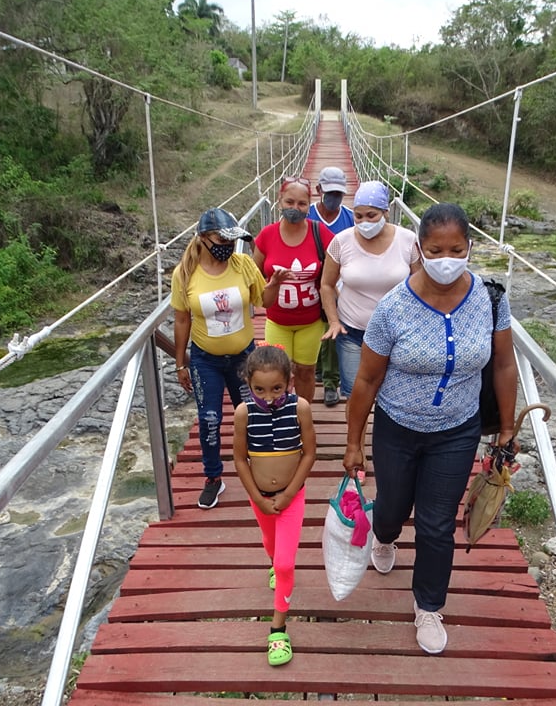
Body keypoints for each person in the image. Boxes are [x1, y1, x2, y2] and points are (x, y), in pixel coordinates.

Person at [341, 202, 519, 655]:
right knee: (393, 508)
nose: (446, 258)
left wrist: (506, 431)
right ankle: (383, 535)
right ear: (419, 249)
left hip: (458, 430)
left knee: (437, 526)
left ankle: (428, 606)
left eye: (456, 249)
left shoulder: (490, 299)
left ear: (470, 248)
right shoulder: (393, 307)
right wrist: (353, 443)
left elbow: (502, 364)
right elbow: (365, 379)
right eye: (436, 249)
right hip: (397, 426)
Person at [172, 207, 284, 509]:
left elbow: (265, 301)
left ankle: (262, 472)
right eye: (222, 239)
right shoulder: (184, 274)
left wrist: (274, 285)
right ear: (204, 239)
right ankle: (213, 478)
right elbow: (181, 320)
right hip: (205, 359)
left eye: (232, 240)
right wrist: (180, 362)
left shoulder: (244, 265)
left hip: (244, 359)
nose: (228, 246)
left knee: (254, 415)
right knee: (210, 420)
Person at [320, 180, 420, 483]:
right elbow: (326, 285)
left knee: (396, 398)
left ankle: (396, 456)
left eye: (371, 216)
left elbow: (422, 286)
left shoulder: (408, 240)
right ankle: (357, 453)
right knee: (356, 397)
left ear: (386, 212)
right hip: (353, 332)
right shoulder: (341, 242)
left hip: (397, 336)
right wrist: (334, 321)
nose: (364, 222)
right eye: (359, 215)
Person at [233, 343, 317, 666]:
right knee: (270, 545)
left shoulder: (301, 408)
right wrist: (257, 497)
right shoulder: (244, 413)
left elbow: (309, 453)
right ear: (248, 385)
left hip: (291, 496)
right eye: (259, 390)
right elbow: (240, 459)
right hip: (261, 500)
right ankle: (273, 562)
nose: (268, 398)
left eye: (277, 388)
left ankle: (277, 630)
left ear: (290, 381)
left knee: (284, 564)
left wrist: (288, 493)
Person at [253, 176, 334, 403]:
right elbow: (253, 272)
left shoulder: (321, 233)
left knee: (306, 372)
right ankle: (280, 416)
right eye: (290, 202)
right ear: (279, 201)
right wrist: (270, 286)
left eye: (301, 204)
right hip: (277, 321)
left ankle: (302, 416)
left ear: (309, 205)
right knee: (277, 375)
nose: (295, 208)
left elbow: (341, 262)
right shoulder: (267, 235)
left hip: (311, 322)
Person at [309, 166, 355, 408]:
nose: (334, 198)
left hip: (337, 285)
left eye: (339, 193)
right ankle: (317, 367)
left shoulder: (349, 217)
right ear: (319, 190)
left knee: (331, 327)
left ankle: (330, 382)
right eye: (330, 193)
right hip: (307, 282)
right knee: (312, 330)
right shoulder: (306, 215)